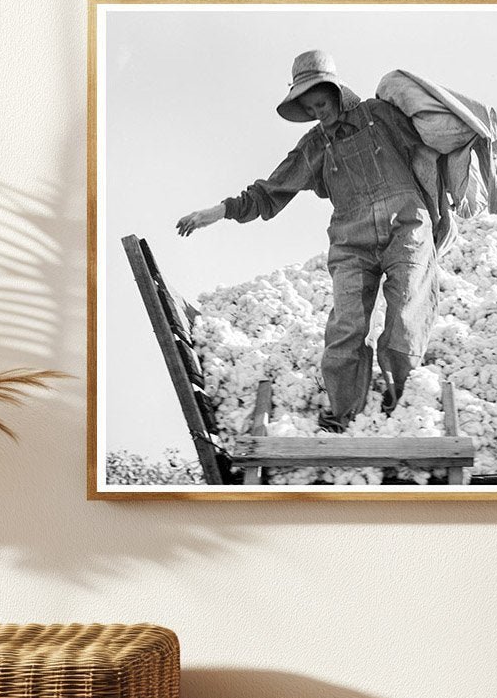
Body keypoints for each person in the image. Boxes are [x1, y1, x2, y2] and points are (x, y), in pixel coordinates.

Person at [176, 50, 439, 433]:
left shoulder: (380, 115)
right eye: (311, 109)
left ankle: (401, 407)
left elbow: (433, 137)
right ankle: (344, 418)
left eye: (322, 104)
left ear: (337, 93)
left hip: (407, 226)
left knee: (405, 313)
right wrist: (217, 212)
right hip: (351, 242)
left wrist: (473, 146)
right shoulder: (314, 146)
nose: (320, 114)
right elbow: (269, 192)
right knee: (346, 327)